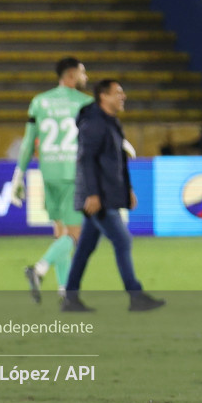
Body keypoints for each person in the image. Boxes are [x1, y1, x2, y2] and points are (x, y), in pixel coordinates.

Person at [63, 79, 165, 312]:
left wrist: (127, 189)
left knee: (86, 247)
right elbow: (86, 160)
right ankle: (135, 296)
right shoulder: (95, 124)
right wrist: (92, 194)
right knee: (122, 240)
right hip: (98, 198)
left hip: (106, 195)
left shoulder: (109, 122)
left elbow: (115, 162)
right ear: (103, 97)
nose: (123, 96)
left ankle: (70, 297)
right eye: (118, 93)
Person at [10, 57, 93, 303]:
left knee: (60, 233)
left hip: (48, 174)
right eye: (82, 72)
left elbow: (27, 143)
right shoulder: (86, 103)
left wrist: (18, 175)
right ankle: (39, 269)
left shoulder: (39, 102)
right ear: (70, 74)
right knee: (75, 236)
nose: (85, 77)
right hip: (73, 174)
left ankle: (65, 292)